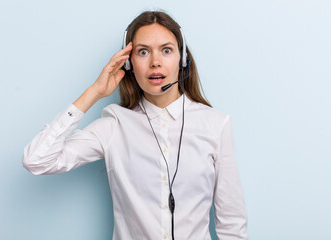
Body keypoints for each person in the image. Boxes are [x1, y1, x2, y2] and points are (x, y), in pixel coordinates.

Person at [22, 10, 248, 240]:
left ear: (182, 59)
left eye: (166, 50)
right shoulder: (114, 126)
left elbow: (232, 225)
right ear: (129, 64)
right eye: (143, 52)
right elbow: (36, 160)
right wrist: (94, 92)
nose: (155, 62)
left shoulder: (215, 124)